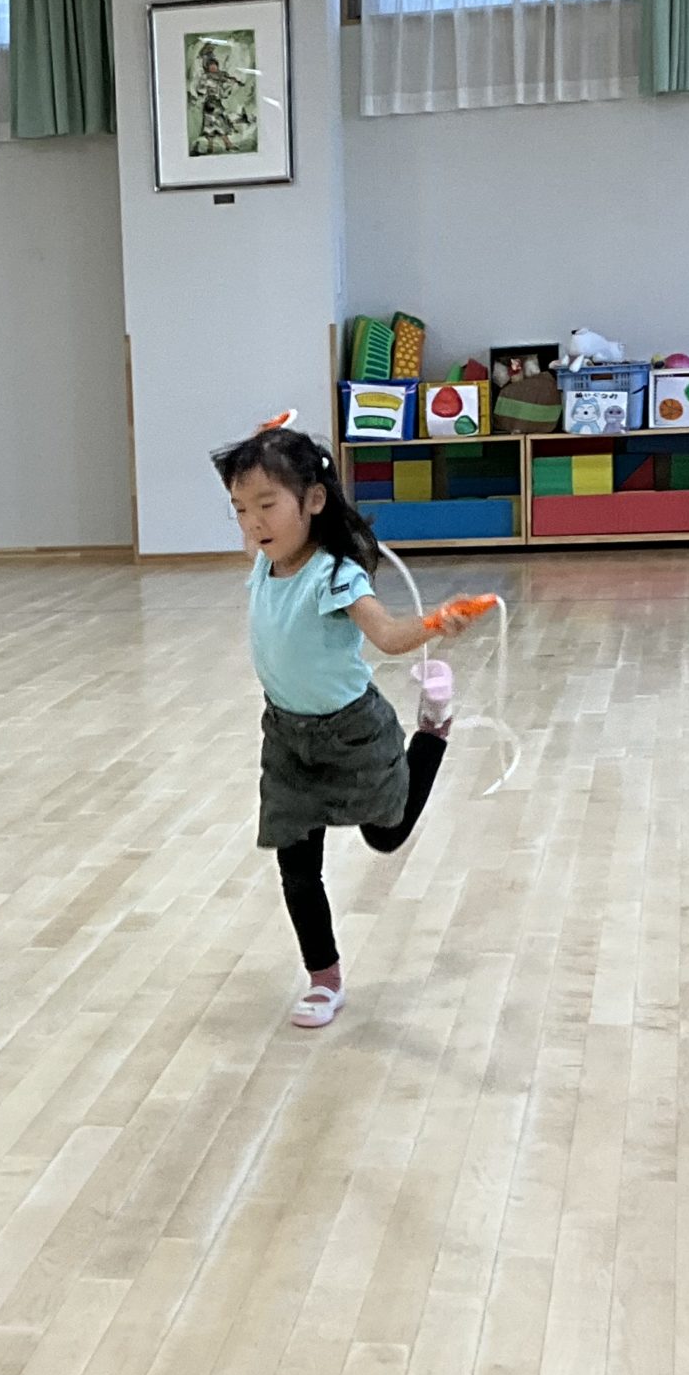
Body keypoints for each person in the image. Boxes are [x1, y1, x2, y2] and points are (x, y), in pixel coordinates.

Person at [214, 424, 470, 1028]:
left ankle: (432, 731)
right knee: (296, 865)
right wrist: (264, 444)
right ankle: (324, 980)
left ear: (313, 499)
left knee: (386, 836)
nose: (253, 522)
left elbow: (388, 636)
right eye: (241, 509)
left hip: (353, 734)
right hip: (286, 738)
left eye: (267, 505)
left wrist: (436, 622)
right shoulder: (265, 562)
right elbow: (260, 496)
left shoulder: (335, 575)